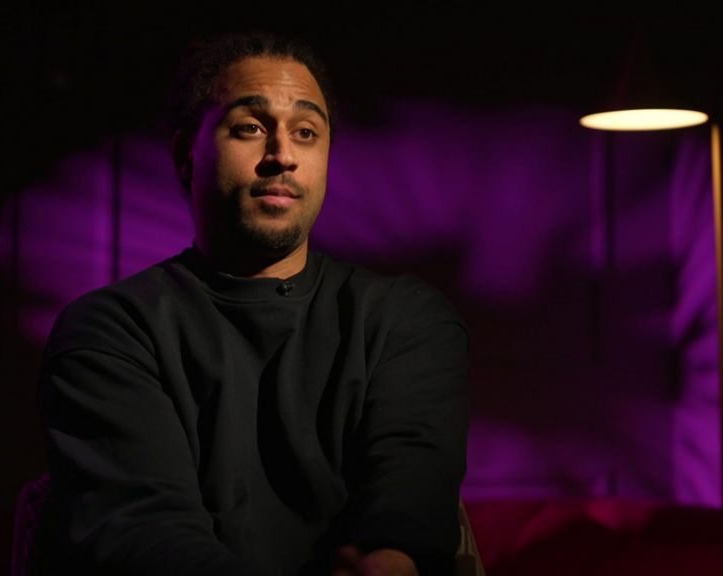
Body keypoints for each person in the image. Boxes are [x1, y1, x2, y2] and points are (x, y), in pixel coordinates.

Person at [35, 30, 469, 576]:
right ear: (184, 155)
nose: (283, 155)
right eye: (249, 128)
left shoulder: (402, 318)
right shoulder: (112, 330)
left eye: (307, 132)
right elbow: (143, 529)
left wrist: (387, 560)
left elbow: (412, 482)